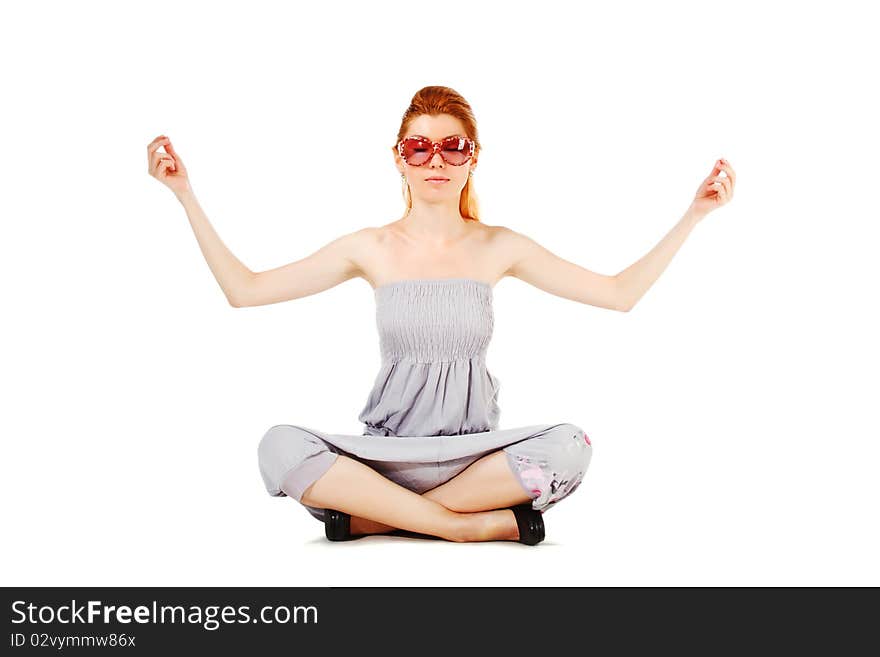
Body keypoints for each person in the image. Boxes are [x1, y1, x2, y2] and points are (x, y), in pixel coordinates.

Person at [147, 85, 735, 545]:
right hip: (385, 460)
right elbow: (244, 290)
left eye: (454, 145)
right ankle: (458, 524)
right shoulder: (369, 247)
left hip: (475, 457)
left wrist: (694, 215)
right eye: (419, 146)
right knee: (278, 446)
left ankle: (372, 523)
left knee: (571, 445)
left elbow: (618, 293)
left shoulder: (498, 245)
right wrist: (185, 194)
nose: (437, 159)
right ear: (398, 160)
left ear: (472, 158)